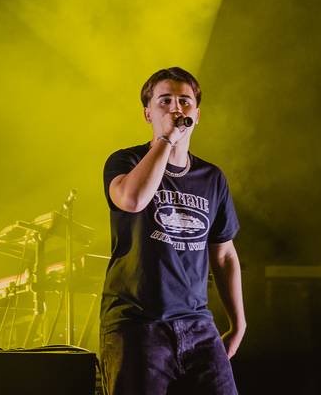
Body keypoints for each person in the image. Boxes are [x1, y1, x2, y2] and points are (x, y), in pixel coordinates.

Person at [100, 67, 246, 395]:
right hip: (137, 324)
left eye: (184, 101)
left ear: (197, 114)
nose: (175, 108)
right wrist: (166, 140)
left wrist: (238, 323)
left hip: (198, 324)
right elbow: (133, 199)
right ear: (147, 113)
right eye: (165, 101)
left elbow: (224, 255)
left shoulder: (212, 178)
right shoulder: (125, 161)